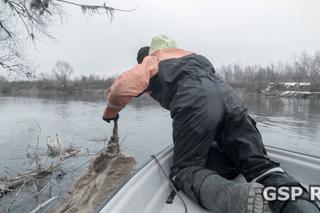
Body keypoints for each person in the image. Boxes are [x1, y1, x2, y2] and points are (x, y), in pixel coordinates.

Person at [102, 35, 319, 213]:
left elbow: (122, 88)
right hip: (230, 97)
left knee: (185, 170)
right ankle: (303, 206)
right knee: (260, 165)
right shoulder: (193, 57)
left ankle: (237, 198)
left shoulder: (153, 60)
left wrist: (110, 112)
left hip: (196, 101)